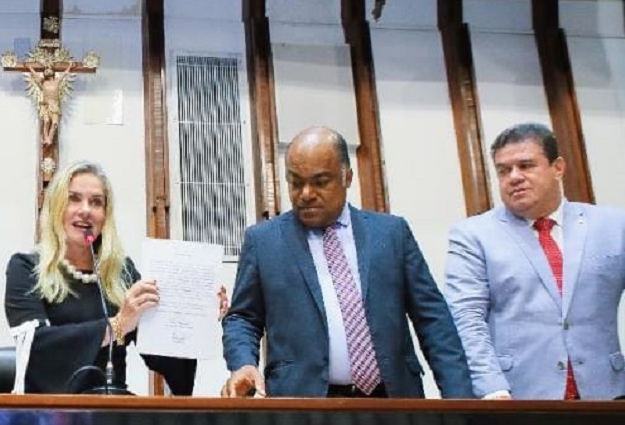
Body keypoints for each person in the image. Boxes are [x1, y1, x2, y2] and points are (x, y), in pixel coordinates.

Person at [222, 127, 473, 399]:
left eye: (320, 182)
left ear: (347, 177)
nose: (306, 193)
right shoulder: (264, 241)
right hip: (302, 403)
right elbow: (243, 317)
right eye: (295, 182)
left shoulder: (391, 234)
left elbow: (433, 320)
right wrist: (243, 363)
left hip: (393, 400)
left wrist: (459, 401)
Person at [4, 160, 229, 395]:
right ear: (56, 207)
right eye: (73, 199)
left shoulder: (123, 274)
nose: (85, 210)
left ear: (105, 215)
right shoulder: (27, 268)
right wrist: (118, 326)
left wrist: (196, 314)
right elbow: (36, 346)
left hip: (113, 406)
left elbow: (162, 352)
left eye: (96, 202)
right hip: (50, 408)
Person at [445, 123, 625, 400]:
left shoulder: (613, 225)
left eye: (526, 165)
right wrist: (491, 387)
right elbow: (466, 317)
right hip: (517, 396)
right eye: (503, 170)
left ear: (558, 167)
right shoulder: (473, 235)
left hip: (607, 394)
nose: (514, 177)